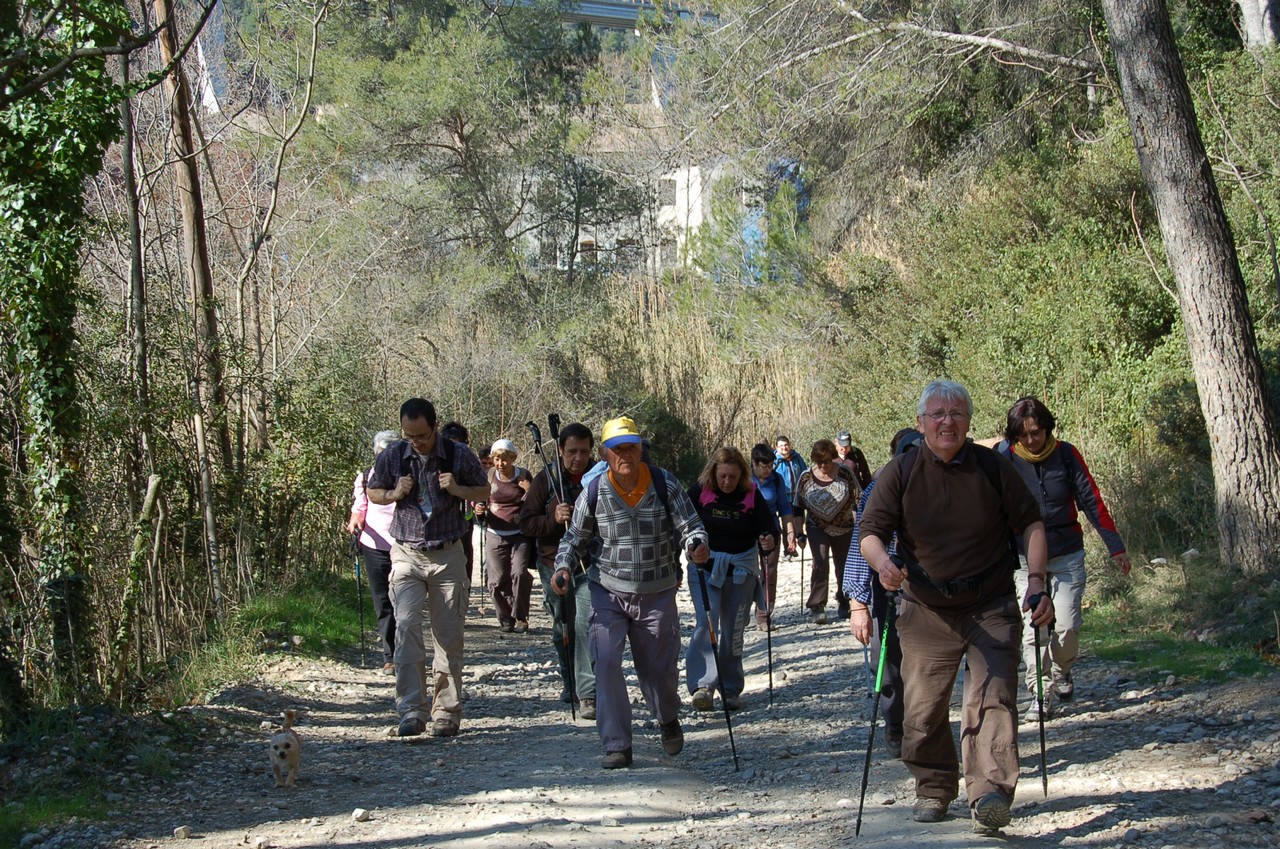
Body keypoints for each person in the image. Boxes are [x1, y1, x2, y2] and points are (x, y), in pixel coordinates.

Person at [859, 380, 1051, 834]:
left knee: (994, 699)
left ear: (968, 421)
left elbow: (1031, 523)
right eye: (938, 414)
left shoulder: (993, 468)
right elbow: (870, 532)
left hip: (991, 603)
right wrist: (883, 564)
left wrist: (1037, 582)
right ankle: (933, 786)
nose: (948, 422)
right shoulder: (901, 472)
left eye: (957, 414)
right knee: (922, 710)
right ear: (922, 422)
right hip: (925, 609)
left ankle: (989, 794)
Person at [553, 416, 709, 769]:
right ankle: (617, 744)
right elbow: (574, 539)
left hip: (656, 591)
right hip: (607, 590)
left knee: (658, 670)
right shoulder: (594, 490)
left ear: (641, 449)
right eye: (618, 449)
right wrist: (563, 567)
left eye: (632, 447)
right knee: (606, 663)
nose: (626, 454)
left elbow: (691, 526)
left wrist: (696, 545)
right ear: (604, 454)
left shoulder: (664, 483)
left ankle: (667, 717)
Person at [998, 396, 1130, 718]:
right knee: (1034, 630)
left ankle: (1061, 670)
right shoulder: (1005, 460)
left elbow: (1092, 500)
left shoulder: (1067, 455)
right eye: (1023, 435)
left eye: (1036, 432)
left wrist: (1115, 546)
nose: (1031, 440)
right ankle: (1039, 693)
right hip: (1025, 559)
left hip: (1067, 552)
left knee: (1067, 626)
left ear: (1047, 428)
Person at [365, 398, 490, 738]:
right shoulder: (393, 455)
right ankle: (411, 710)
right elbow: (373, 491)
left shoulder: (458, 454)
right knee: (406, 627)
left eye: (421, 435)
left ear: (435, 427)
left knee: (448, 636)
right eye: (409, 436)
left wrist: (458, 489)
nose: (415, 442)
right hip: (406, 553)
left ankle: (446, 712)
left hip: (447, 555)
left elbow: (484, 490)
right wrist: (394, 493)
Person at [843, 427, 921, 758]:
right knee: (886, 660)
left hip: (930, 588)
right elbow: (861, 545)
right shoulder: (878, 488)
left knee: (926, 661)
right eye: (907, 453)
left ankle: (923, 725)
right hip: (886, 586)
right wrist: (858, 604)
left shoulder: (945, 482)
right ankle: (895, 722)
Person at [685, 447, 775, 711]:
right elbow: (682, 524)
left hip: (740, 570)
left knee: (734, 629)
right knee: (707, 622)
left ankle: (731, 688)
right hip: (705, 568)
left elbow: (767, 526)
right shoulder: (699, 491)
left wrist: (767, 538)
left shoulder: (751, 493)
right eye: (722, 476)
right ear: (713, 473)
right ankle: (702, 686)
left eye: (732, 477)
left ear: (741, 475)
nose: (727, 482)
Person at [519, 422, 597, 719]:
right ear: (561, 450)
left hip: (589, 563)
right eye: (572, 451)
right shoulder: (547, 479)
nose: (578, 458)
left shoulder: (598, 476)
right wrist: (552, 518)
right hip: (553, 563)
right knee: (562, 624)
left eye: (584, 452)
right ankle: (569, 680)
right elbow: (527, 523)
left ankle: (588, 692)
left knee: (584, 624)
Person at [346, 429, 401, 675]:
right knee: (383, 601)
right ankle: (390, 656)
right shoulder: (366, 477)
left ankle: (407, 653)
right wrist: (356, 518)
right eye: (382, 453)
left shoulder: (410, 477)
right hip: (374, 544)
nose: (386, 458)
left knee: (404, 601)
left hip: (405, 546)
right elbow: (360, 507)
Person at [793, 439, 859, 623]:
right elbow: (797, 506)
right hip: (816, 526)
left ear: (834, 458)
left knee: (844, 565)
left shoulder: (845, 473)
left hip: (844, 526)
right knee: (820, 563)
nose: (823, 466)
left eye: (827, 461)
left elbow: (858, 497)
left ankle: (844, 601)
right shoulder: (806, 477)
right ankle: (817, 605)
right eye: (819, 462)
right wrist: (798, 533)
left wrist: (861, 524)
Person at [482, 438, 534, 633]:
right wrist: (479, 509)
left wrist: (528, 490)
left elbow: (535, 503)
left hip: (520, 533)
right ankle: (505, 618)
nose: (500, 464)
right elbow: (481, 498)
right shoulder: (489, 475)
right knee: (496, 580)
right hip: (495, 533)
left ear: (513, 458)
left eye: (505, 459)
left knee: (519, 573)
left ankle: (521, 617)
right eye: (496, 459)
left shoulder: (524, 475)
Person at [749, 443, 796, 631]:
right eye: (764, 466)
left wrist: (790, 532)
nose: (768, 470)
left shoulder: (776, 479)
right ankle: (742, 611)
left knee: (769, 572)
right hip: (747, 530)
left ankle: (764, 614)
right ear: (754, 463)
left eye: (770, 465)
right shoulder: (743, 479)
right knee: (749, 572)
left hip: (771, 529)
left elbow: (784, 507)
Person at [441, 421, 478, 585]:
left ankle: (465, 588)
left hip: (464, 513)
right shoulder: (437, 459)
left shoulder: (467, 459)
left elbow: (480, 487)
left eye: (458, 445)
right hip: (442, 518)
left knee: (465, 551)